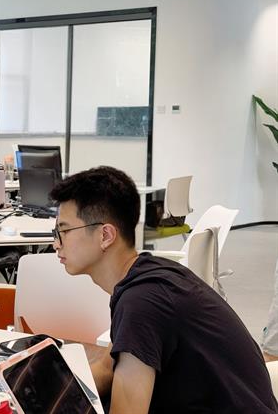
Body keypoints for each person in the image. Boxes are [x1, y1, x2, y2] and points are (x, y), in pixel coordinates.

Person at [49, 166, 277, 414]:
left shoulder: (142, 302)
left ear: (105, 235)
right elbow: (107, 368)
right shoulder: (147, 275)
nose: (55, 243)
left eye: (64, 231)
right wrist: (48, 394)